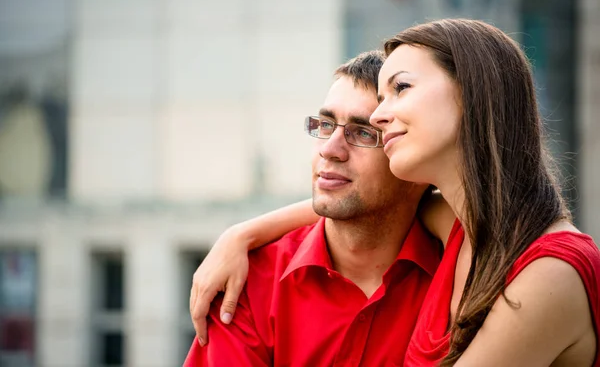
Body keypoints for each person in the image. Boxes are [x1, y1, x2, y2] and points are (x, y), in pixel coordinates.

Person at [190, 19, 600, 366]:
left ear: (472, 95)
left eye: (400, 89)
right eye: (326, 125)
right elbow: (365, 204)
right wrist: (242, 234)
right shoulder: (458, 224)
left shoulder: (546, 272)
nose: (383, 116)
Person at [184, 51, 442, 366]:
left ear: (412, 162)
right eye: (325, 124)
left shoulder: (461, 274)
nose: (329, 150)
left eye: (363, 133)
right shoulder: (247, 282)